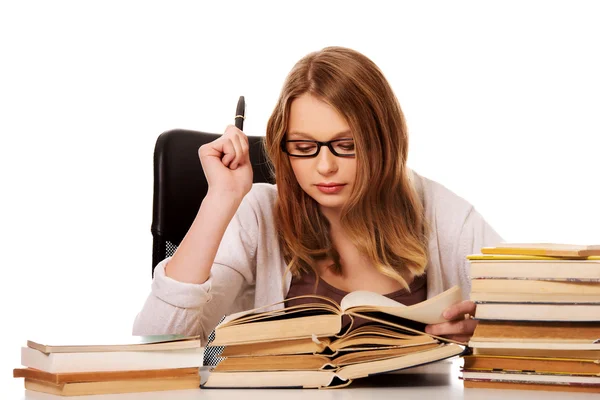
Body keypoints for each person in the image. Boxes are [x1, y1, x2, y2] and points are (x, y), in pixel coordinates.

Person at [133, 46, 503, 345]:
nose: (325, 166)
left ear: (383, 143)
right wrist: (220, 201)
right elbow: (156, 343)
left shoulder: (438, 210)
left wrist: (493, 333)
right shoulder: (259, 213)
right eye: (304, 146)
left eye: (346, 145)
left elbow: (535, 313)